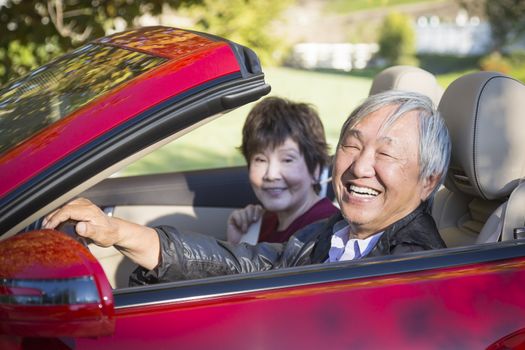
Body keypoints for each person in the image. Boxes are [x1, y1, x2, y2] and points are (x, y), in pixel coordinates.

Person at [43, 90, 451, 285]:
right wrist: (119, 233)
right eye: (352, 145)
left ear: (428, 180)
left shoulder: (414, 267)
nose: (360, 166)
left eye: (387, 154)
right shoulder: (332, 235)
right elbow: (249, 265)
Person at [226, 97, 338, 244]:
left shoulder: (327, 230)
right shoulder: (263, 223)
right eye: (260, 160)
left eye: (287, 160)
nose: (271, 175)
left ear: (315, 170)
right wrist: (237, 242)